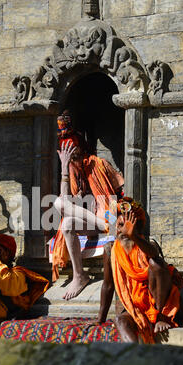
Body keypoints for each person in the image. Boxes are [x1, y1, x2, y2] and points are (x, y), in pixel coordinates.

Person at [52, 110, 124, 300]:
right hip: (93, 222)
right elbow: (66, 201)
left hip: (111, 219)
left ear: (80, 149)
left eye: (72, 154)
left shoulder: (99, 164)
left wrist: (117, 218)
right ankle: (80, 275)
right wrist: (64, 169)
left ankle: (107, 225)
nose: (71, 158)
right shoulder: (72, 172)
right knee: (66, 222)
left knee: (60, 203)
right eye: (66, 155)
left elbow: (120, 192)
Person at [97, 197, 183, 344]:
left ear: (137, 227)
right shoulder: (110, 250)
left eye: (128, 226)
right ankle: (136, 356)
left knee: (155, 263)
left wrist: (134, 237)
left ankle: (159, 318)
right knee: (120, 321)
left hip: (159, 305)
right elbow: (108, 285)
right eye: (120, 225)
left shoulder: (148, 244)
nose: (123, 230)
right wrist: (100, 320)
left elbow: (155, 255)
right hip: (132, 306)